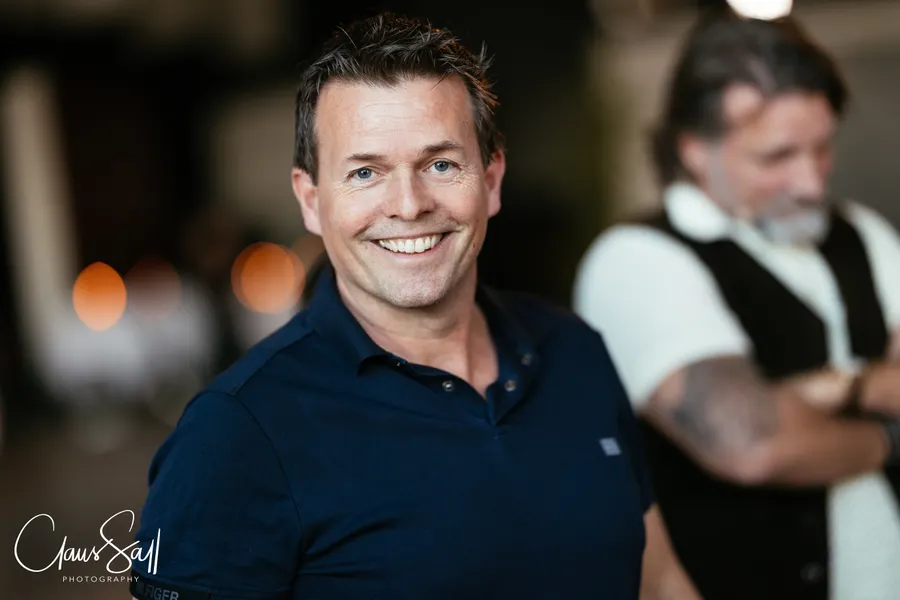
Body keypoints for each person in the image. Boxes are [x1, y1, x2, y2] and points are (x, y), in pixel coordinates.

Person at [129, 14, 699, 600]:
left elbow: (658, 582)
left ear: (492, 179)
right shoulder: (235, 431)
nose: (408, 204)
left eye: (440, 164)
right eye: (365, 172)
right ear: (311, 200)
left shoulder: (573, 350)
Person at [573, 10, 900, 600]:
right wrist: (887, 431)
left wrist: (828, 391)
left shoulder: (862, 232)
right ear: (695, 149)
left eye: (822, 147)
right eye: (777, 157)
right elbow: (750, 445)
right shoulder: (636, 258)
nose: (811, 182)